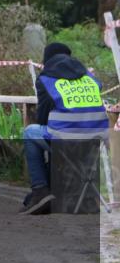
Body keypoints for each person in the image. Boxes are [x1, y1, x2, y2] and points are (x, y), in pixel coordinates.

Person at [19, 42, 110, 214]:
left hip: (65, 140)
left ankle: (40, 191)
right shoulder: (91, 78)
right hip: (96, 141)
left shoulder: (46, 79)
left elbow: (43, 117)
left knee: (31, 133)